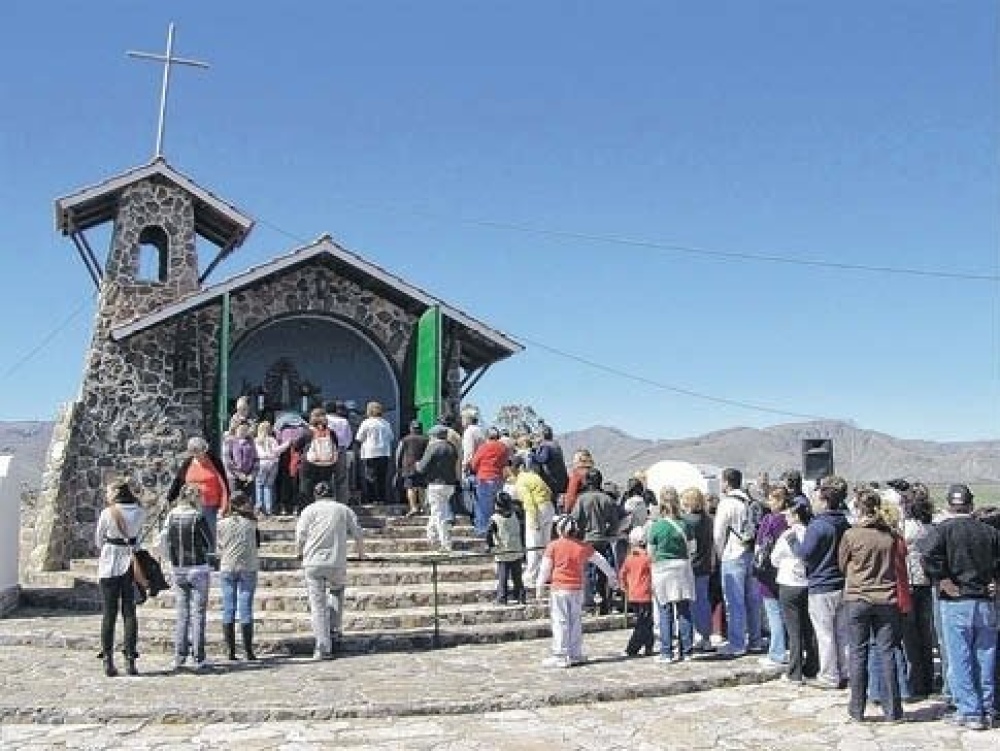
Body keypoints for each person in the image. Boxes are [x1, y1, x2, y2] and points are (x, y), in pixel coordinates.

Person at [921, 483, 1000, 731]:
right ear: (971, 505)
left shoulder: (942, 531)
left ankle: (970, 711)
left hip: (956, 602)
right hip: (985, 601)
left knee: (960, 658)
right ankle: (988, 708)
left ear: (949, 505)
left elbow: (926, 555)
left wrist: (942, 579)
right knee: (985, 657)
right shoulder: (989, 532)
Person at [838, 487, 905, 724]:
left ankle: (857, 709)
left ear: (858, 508)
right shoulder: (890, 536)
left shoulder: (851, 535)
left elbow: (841, 563)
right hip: (886, 598)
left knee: (858, 652)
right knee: (886, 653)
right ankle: (893, 710)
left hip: (858, 597)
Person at [792, 474, 852, 689]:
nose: (814, 504)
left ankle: (828, 675)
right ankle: (846, 671)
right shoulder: (844, 522)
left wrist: (792, 540)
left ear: (825, 502)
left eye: (817, 500)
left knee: (825, 633)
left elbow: (806, 554)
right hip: (841, 582)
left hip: (821, 583)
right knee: (842, 632)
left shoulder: (818, 526)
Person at [536, 515, 618, 668]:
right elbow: (601, 561)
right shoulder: (582, 546)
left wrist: (539, 586)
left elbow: (545, 569)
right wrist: (612, 577)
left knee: (560, 621)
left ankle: (560, 655)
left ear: (559, 529)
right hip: (577, 588)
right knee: (575, 622)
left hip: (559, 588)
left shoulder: (553, 546)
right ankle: (575, 653)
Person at [296, 482, 365, 659]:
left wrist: (299, 552)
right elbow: (357, 532)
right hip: (336, 560)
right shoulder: (343, 510)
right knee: (337, 592)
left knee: (317, 605)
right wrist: (361, 553)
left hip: (313, 561)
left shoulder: (308, 511)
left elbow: (300, 535)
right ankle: (334, 630)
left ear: (315, 495)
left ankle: (322, 646)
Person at [94, 477, 147, 677]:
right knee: (129, 613)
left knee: (109, 613)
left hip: (109, 564)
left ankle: (107, 658)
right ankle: (130, 658)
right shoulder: (140, 512)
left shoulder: (108, 513)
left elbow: (99, 540)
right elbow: (139, 539)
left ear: (115, 492)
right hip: (130, 565)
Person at [160, 483, 214, 671]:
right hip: (198, 568)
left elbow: (164, 541)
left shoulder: (171, 516)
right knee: (198, 614)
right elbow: (209, 543)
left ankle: (179, 656)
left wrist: (170, 561)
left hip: (179, 569)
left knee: (182, 613)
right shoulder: (197, 517)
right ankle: (198, 657)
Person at [712, 468, 762, 657]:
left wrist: (719, 554)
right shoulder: (750, 502)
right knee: (753, 600)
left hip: (733, 554)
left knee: (734, 601)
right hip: (750, 552)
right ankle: (755, 640)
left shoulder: (727, 504)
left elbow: (718, 533)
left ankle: (737, 642)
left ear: (726, 482)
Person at [772, 497, 819, 684]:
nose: (786, 519)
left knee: (794, 630)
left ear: (796, 516)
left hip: (788, 583)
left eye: (789, 515)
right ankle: (812, 666)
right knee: (809, 628)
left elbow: (774, 559)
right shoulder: (810, 533)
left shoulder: (788, 535)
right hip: (806, 583)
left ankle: (795, 671)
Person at [648, 487, 696, 663]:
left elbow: (651, 552)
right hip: (682, 567)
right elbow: (693, 549)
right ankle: (687, 650)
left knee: (665, 610)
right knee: (684, 610)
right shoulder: (685, 525)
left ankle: (666, 652)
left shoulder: (656, 527)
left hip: (662, 569)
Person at [900, 484, 935, 699]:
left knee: (910, 635)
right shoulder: (930, 525)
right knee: (925, 633)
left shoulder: (908, 528)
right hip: (927, 581)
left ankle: (915, 682)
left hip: (910, 580)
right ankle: (928, 679)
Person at [216, 491, 261, 661]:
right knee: (245, 607)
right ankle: (248, 650)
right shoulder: (251, 523)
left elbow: (219, 544)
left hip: (228, 565)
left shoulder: (221, 523)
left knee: (228, 607)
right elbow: (257, 544)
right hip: (247, 566)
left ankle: (231, 651)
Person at [167, 436, 229, 551]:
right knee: (193, 535)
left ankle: (210, 560)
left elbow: (223, 484)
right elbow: (178, 481)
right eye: (194, 453)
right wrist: (170, 498)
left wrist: (224, 506)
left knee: (210, 535)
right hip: (191, 505)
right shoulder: (188, 462)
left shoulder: (215, 461)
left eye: (199, 452)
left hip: (210, 506)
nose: (197, 456)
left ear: (204, 449)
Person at [572, 467, 619, 614]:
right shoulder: (607, 499)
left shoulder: (581, 499)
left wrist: (578, 535)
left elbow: (574, 520)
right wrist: (608, 533)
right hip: (603, 540)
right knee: (604, 571)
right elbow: (615, 522)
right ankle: (605, 603)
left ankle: (589, 603)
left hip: (586, 541)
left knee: (586, 573)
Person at [755, 486, 790, 668]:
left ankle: (776, 652)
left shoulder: (770, 520)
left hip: (769, 571)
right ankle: (787, 647)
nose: (769, 503)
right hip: (786, 572)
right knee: (785, 613)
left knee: (773, 613)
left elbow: (760, 544)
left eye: (771, 499)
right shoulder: (791, 520)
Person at [680, 486, 715, 653]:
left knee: (692, 604)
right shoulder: (708, 519)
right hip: (705, 564)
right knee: (703, 602)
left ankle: (695, 635)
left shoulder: (688, 521)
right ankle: (706, 636)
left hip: (692, 565)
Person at [512, 456, 555, 589]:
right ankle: (546, 574)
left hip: (536, 509)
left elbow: (529, 501)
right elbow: (549, 491)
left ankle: (531, 576)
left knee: (533, 544)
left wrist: (534, 520)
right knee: (545, 544)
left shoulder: (521, 481)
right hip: (548, 507)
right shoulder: (533, 476)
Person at [416, 425, 460, 553]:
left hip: (436, 485)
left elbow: (422, 468)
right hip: (449, 484)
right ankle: (431, 536)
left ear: (434, 436)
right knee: (437, 511)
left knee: (440, 514)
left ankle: (445, 544)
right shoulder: (452, 448)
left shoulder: (433, 447)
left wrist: (417, 464)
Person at [295, 408, 339, 513]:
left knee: (306, 487)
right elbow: (336, 446)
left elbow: (297, 446)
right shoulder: (331, 433)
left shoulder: (307, 432)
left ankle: (305, 512)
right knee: (324, 487)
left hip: (309, 465)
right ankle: (325, 512)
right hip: (328, 464)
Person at [469, 427, 510, 537]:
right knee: (496, 507)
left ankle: (483, 531)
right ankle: (495, 531)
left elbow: (474, 464)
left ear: (488, 437)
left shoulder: (484, 447)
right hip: (498, 479)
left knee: (483, 507)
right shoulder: (503, 448)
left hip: (484, 479)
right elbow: (505, 463)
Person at [620, 525, 654, 657]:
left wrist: (624, 587)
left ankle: (648, 646)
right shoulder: (648, 558)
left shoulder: (629, 558)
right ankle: (632, 648)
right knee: (644, 623)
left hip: (633, 594)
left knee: (645, 622)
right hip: (645, 594)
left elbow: (622, 574)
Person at [487, 491, 526, 605]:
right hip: (517, 550)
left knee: (503, 578)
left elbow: (488, 534)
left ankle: (502, 598)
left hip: (502, 552)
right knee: (517, 577)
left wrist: (491, 547)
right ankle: (520, 596)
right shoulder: (516, 515)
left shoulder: (494, 519)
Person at [354, 401, 395, 504]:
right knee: (382, 477)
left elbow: (359, 438)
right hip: (384, 452)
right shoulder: (385, 423)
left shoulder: (366, 422)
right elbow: (391, 437)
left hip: (370, 453)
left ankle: (372, 499)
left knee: (370, 477)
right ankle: (382, 499)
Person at [253, 420, 290, 517]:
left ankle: (260, 507)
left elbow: (255, 453)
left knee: (259, 485)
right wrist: (286, 444)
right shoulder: (272, 440)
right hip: (273, 463)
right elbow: (277, 451)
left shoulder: (256, 440)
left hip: (261, 463)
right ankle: (269, 509)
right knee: (268, 486)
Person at [395, 420, 429, 518]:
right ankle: (423, 507)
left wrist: (398, 467)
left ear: (411, 428)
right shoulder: (426, 439)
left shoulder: (405, 439)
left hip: (408, 467)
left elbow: (399, 454)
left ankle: (414, 507)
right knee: (422, 488)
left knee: (410, 488)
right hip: (422, 466)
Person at [325, 400, 355, 505]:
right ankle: (342, 502)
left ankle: (327, 500)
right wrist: (343, 447)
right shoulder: (344, 421)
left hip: (326, 449)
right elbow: (349, 438)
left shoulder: (324, 421)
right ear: (336, 410)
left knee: (326, 476)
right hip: (341, 449)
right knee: (341, 477)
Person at [531, 425, 569, 504]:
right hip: (562, 477)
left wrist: (532, 455)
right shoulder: (556, 445)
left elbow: (543, 459)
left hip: (552, 479)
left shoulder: (546, 446)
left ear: (543, 435)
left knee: (553, 501)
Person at [224, 420, 259, 498]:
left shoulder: (251, 441)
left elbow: (256, 459)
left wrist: (253, 474)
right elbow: (228, 460)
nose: (243, 431)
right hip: (234, 477)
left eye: (246, 430)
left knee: (248, 503)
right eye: (241, 429)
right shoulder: (230, 441)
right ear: (236, 429)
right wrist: (239, 474)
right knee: (236, 501)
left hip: (248, 477)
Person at [562, 449, 594, 514]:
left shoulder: (577, 474)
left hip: (580, 510)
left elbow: (571, 496)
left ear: (578, 461)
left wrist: (566, 511)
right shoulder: (594, 473)